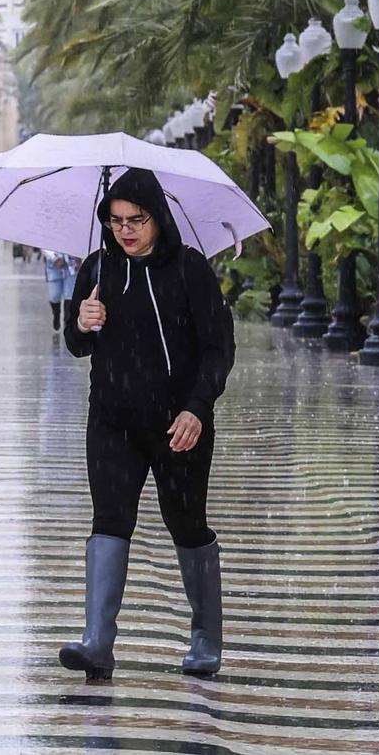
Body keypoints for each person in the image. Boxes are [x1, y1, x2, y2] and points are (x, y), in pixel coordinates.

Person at [59, 168, 234, 681]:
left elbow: (218, 349)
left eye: (136, 220)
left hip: (179, 426)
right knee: (109, 520)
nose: (126, 231)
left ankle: (205, 637)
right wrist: (81, 322)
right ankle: (97, 643)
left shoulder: (190, 269)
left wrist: (197, 408)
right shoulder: (95, 269)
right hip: (112, 422)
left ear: (158, 217)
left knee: (186, 523)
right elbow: (76, 345)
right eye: (114, 221)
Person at [42, 249, 78, 331]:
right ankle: (56, 313)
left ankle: (67, 324)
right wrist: (54, 258)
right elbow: (44, 246)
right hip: (53, 266)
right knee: (54, 295)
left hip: (71, 266)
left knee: (70, 295)